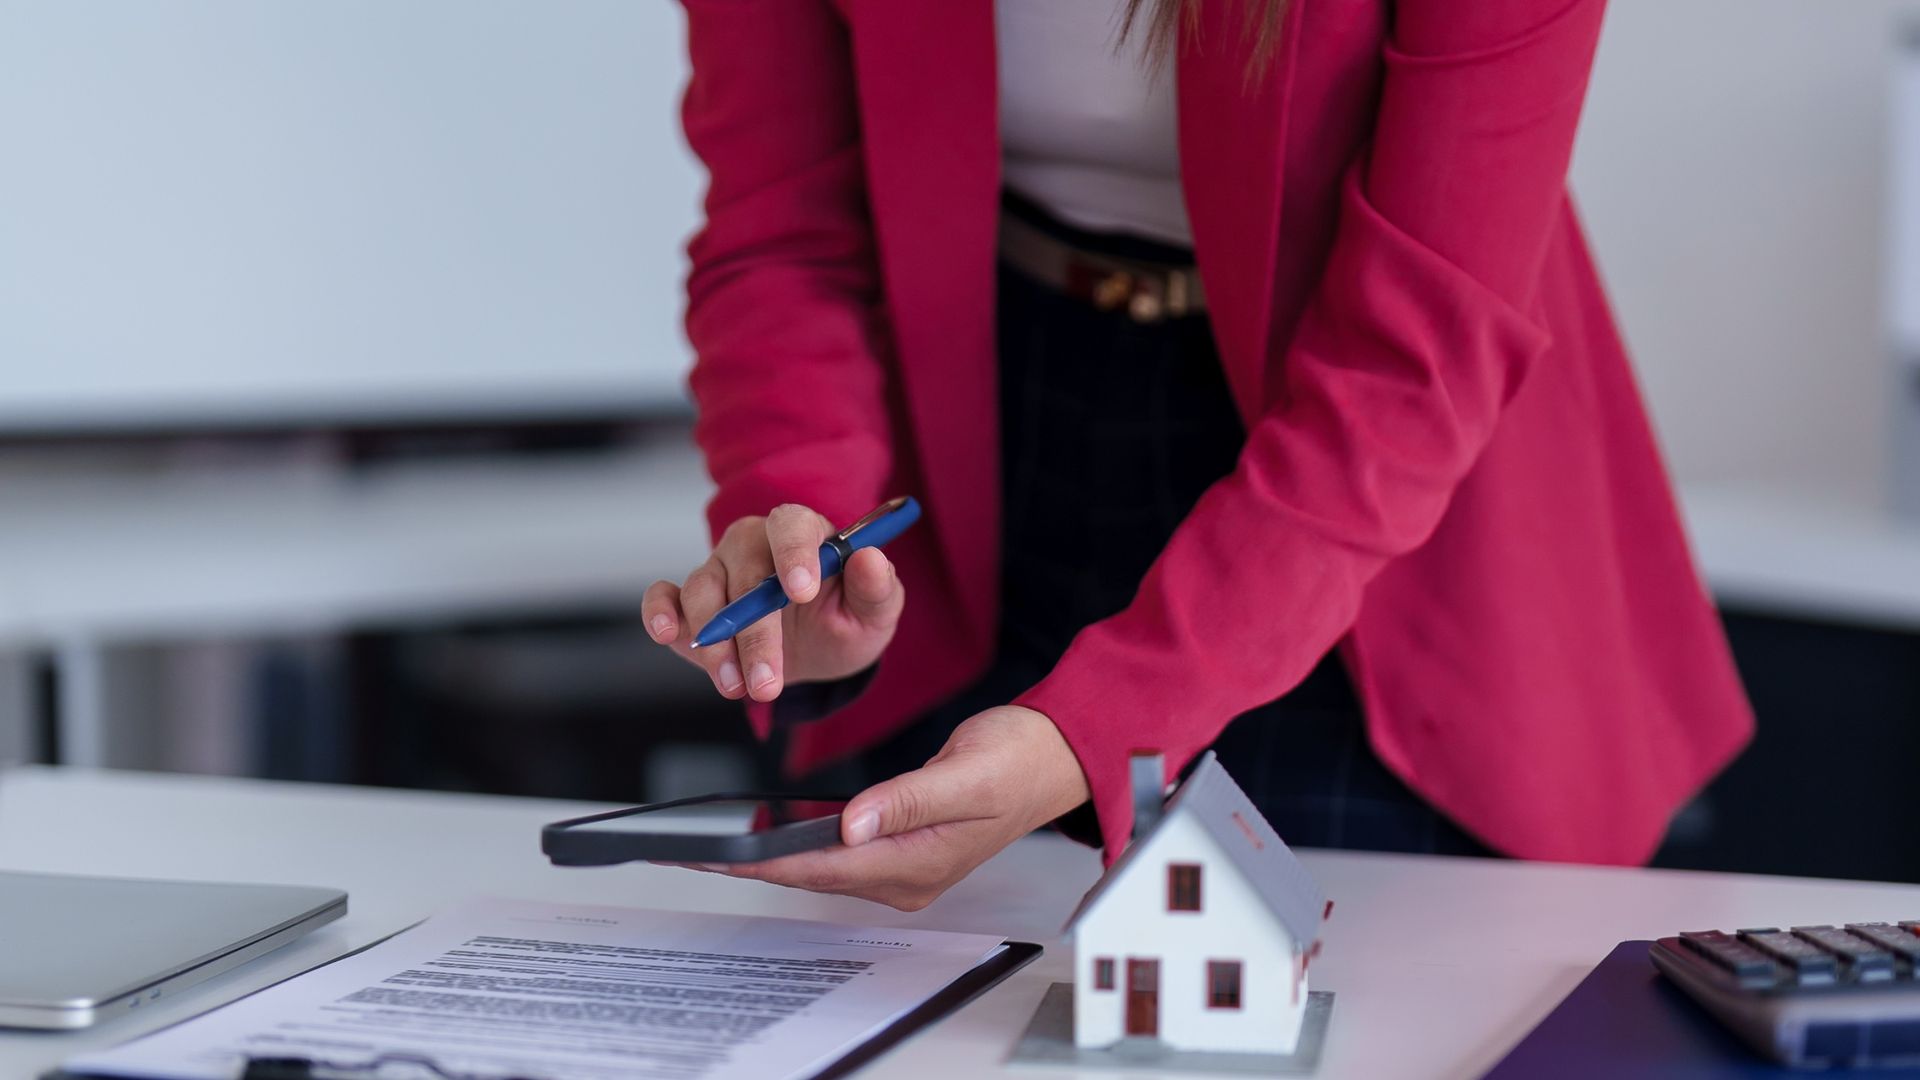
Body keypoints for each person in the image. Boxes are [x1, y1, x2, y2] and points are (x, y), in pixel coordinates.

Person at [642, 0, 1754, 911]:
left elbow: (1411, 360)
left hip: (1376, 518)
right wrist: (805, 523)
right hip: (981, 424)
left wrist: (1095, 732)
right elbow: (785, 224)